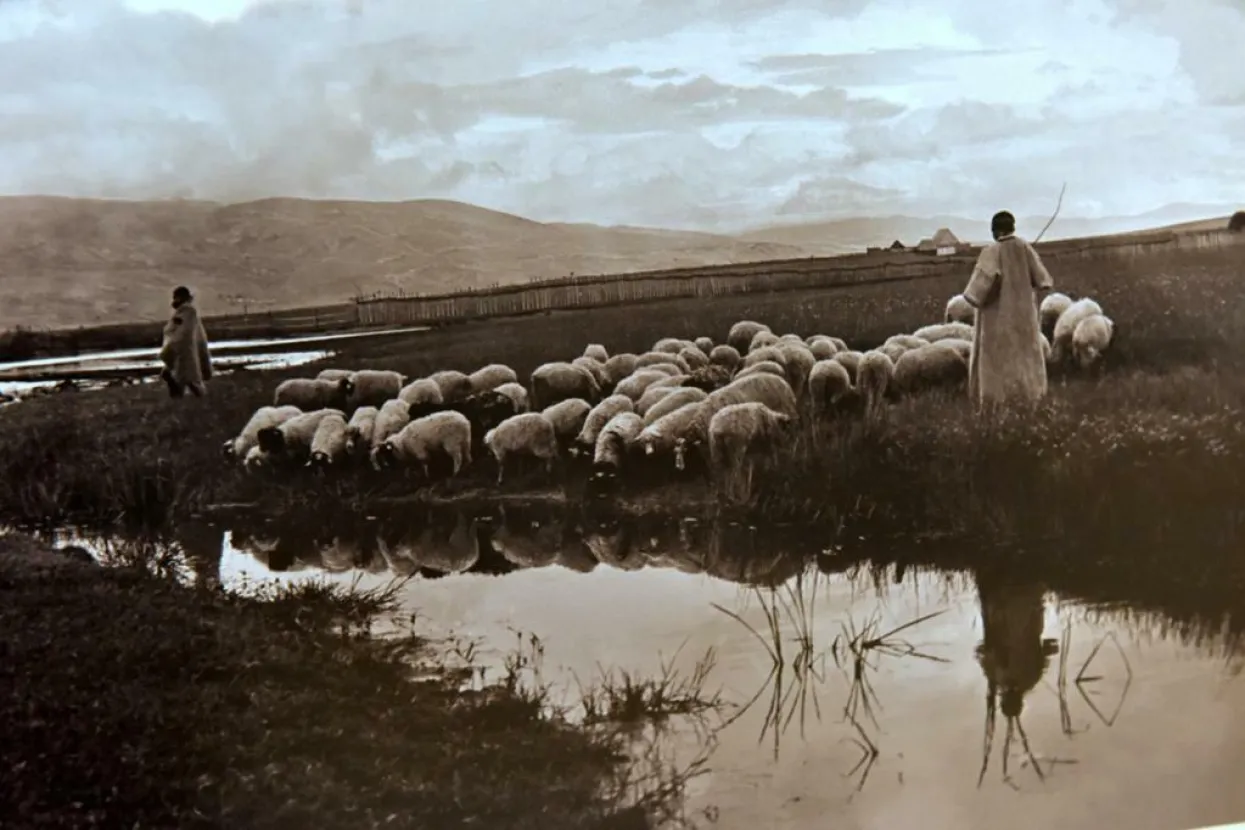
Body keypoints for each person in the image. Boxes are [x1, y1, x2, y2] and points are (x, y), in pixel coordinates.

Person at [961, 210, 1055, 409]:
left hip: (997, 319)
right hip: (1024, 316)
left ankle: (996, 401)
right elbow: (1043, 280)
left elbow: (976, 293)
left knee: (997, 359)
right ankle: (1030, 396)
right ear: (1012, 227)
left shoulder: (991, 252)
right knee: (1025, 355)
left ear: (995, 231)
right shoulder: (1025, 248)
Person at [158, 285, 213, 398]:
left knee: (186, 378)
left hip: (184, 351)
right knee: (183, 377)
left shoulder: (187, 312)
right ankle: (185, 397)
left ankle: (191, 397)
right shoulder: (184, 312)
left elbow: (183, 332)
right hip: (183, 351)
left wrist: (171, 346)